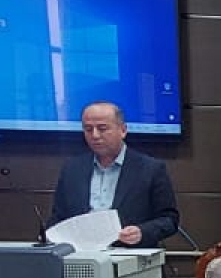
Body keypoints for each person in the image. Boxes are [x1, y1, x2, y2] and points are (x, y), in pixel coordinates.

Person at [48, 101, 179, 247]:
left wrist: (142, 232)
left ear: (123, 130)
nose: (95, 135)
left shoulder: (150, 169)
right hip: (81, 253)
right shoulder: (72, 169)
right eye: (88, 129)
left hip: (129, 253)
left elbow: (169, 220)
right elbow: (57, 218)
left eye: (102, 128)